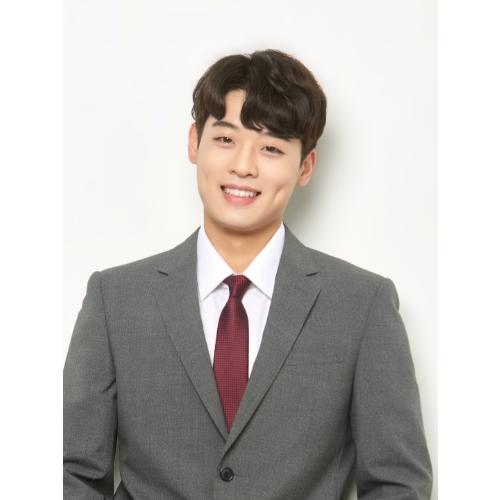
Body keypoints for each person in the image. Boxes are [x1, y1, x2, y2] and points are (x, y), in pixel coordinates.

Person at [64, 49, 433, 499]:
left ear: (306, 166)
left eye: (271, 148)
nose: (244, 165)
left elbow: (398, 484)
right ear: (194, 143)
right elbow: (71, 473)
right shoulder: (115, 299)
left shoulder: (362, 304)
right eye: (225, 139)